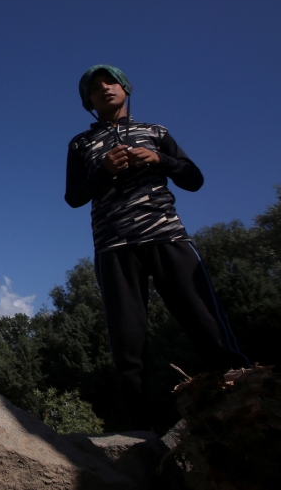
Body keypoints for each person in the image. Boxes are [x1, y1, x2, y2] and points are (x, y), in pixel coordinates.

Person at [65, 65, 248, 429]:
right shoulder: (80, 144)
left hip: (167, 236)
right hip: (114, 246)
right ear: (88, 101)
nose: (105, 89)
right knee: (127, 340)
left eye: (111, 82)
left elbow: (194, 179)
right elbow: (73, 197)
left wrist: (158, 159)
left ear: (126, 88)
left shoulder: (155, 132)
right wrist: (103, 171)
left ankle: (244, 396)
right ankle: (139, 431)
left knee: (205, 322)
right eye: (95, 88)